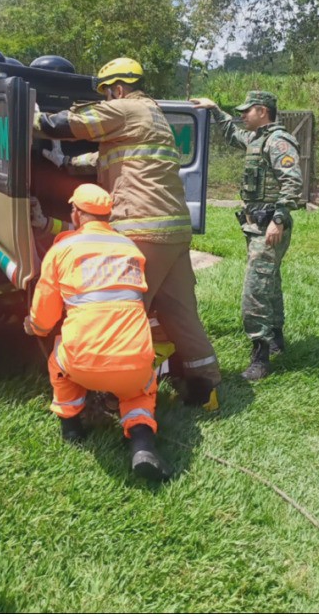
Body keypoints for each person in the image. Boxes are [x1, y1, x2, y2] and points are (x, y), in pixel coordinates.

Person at [33, 57, 221, 408]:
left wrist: (32, 119)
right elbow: (111, 159)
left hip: (141, 230)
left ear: (117, 89)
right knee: (181, 312)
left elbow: (68, 123)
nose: (106, 99)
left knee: (120, 312)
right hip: (173, 231)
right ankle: (205, 388)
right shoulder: (152, 116)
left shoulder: (124, 109)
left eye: (106, 93)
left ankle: (116, 394)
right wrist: (67, 162)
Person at [24, 183, 171, 481]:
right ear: (107, 215)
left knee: (59, 359)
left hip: (83, 365)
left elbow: (45, 315)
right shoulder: (130, 248)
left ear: (76, 213)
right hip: (135, 361)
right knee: (139, 393)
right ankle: (142, 443)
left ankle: (72, 429)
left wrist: (34, 326)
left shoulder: (62, 249)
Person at [191, 91, 303, 380]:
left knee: (255, 289)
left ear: (262, 111)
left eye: (247, 110)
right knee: (269, 282)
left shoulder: (278, 141)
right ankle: (276, 339)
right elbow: (232, 133)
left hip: (270, 226)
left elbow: (292, 182)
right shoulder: (257, 138)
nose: (242, 115)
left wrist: (278, 219)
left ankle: (260, 358)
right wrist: (215, 109)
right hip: (257, 226)